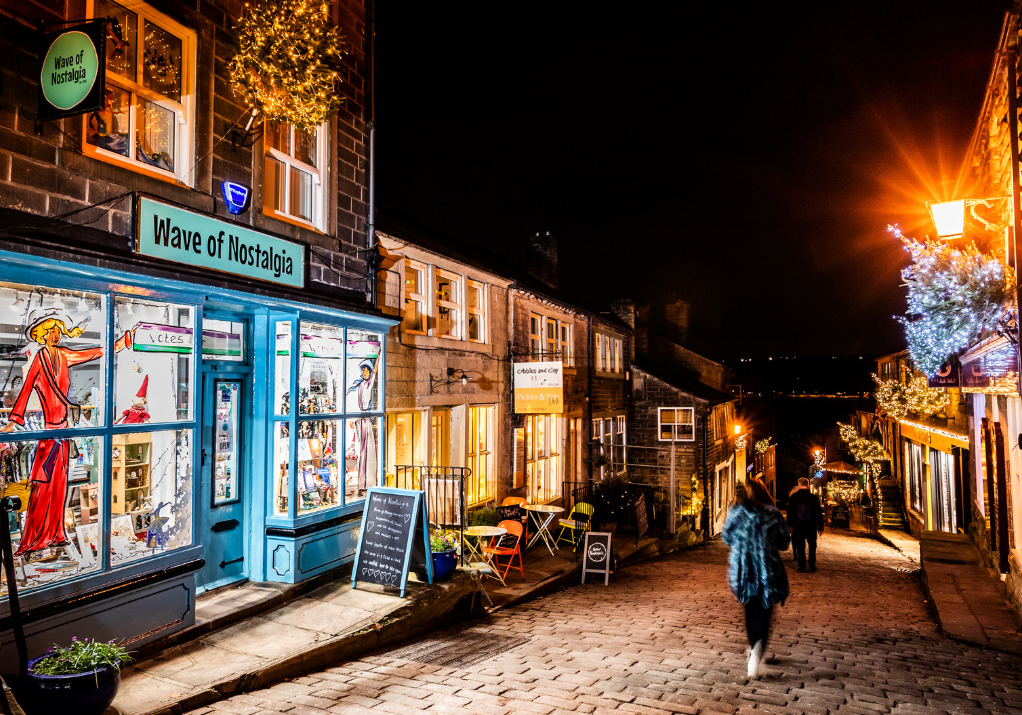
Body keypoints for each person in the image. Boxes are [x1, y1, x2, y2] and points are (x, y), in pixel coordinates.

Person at [1, 308, 131, 555]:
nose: (55, 335)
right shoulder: (40, 358)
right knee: (42, 486)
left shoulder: (63, 355)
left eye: (58, 330)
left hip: (64, 432)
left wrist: (119, 344)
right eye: (50, 331)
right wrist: (15, 422)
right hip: (48, 434)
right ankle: (35, 538)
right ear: (41, 334)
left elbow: (92, 352)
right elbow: (27, 388)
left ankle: (57, 533)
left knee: (60, 487)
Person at [722, 477, 790, 679]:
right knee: (764, 612)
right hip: (766, 569)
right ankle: (757, 651)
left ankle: (753, 648)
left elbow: (726, 536)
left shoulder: (735, 512)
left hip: (742, 569)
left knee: (750, 609)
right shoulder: (773, 514)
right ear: (764, 493)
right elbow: (784, 542)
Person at [787, 477, 824, 573]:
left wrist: (790, 526)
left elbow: (790, 513)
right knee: (812, 546)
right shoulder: (813, 498)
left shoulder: (794, 497)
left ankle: (802, 565)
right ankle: (812, 564)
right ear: (808, 485)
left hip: (798, 526)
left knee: (800, 546)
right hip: (811, 526)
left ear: (799, 485)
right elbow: (818, 513)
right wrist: (820, 527)